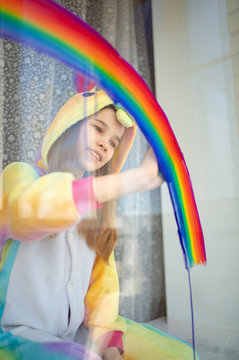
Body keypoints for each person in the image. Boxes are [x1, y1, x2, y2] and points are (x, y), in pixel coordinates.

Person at [0, 87, 198, 360]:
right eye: (98, 129)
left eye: (115, 142)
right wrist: (134, 179)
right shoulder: (21, 174)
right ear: (70, 126)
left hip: (77, 332)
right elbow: (24, 212)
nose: (106, 144)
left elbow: (102, 291)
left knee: (180, 355)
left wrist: (110, 345)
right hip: (14, 333)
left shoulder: (99, 211)